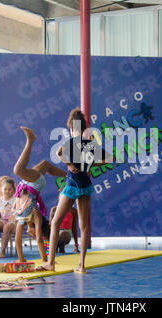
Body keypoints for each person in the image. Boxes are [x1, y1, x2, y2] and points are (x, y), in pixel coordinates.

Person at [39, 108, 113, 273]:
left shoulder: (71, 142)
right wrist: (89, 164)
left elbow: (59, 153)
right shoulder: (89, 144)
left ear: (71, 128)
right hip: (85, 186)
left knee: (56, 222)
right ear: (85, 128)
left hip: (72, 186)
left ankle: (50, 263)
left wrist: (69, 165)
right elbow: (111, 158)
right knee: (84, 226)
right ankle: (81, 265)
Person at [13, 126, 67, 263]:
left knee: (44, 165)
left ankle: (68, 174)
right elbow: (38, 239)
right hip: (34, 183)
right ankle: (30, 141)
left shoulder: (21, 217)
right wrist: (44, 259)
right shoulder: (35, 215)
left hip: (27, 183)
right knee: (20, 169)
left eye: (29, 233)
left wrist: (21, 260)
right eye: (30, 233)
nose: (28, 234)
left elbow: (17, 242)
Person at [49, 188, 79, 253]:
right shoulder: (54, 210)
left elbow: (74, 228)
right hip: (56, 232)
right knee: (56, 235)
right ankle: (55, 249)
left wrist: (76, 245)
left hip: (66, 234)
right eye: (61, 198)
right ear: (59, 198)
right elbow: (50, 226)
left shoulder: (73, 211)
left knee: (62, 234)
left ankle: (60, 248)